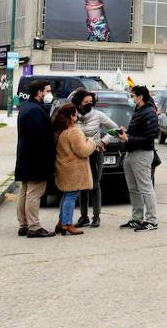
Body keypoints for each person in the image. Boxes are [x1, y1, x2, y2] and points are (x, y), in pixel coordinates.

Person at [15, 79, 56, 238]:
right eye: (47, 91)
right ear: (39, 92)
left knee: (24, 192)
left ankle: (23, 225)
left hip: (26, 156)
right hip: (36, 158)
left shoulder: (26, 107)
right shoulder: (36, 111)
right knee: (34, 192)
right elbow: (41, 137)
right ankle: (34, 226)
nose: (49, 94)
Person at [71, 90, 117, 228]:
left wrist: (103, 142)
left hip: (95, 154)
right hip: (79, 155)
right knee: (82, 186)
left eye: (91, 102)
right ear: (79, 103)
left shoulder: (98, 115)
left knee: (95, 185)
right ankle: (83, 217)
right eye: (86, 102)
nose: (89, 104)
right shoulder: (74, 116)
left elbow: (115, 128)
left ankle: (96, 216)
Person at [51, 103, 97, 236]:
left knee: (66, 195)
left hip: (65, 168)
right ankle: (67, 224)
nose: (77, 116)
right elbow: (83, 151)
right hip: (74, 170)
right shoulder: (74, 131)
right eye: (75, 114)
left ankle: (61, 223)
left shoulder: (61, 130)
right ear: (71, 117)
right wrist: (91, 142)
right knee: (71, 196)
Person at [118, 85, 159, 231]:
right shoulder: (138, 110)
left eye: (133, 96)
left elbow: (149, 138)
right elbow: (138, 132)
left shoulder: (149, 112)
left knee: (145, 187)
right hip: (131, 153)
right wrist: (126, 133)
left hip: (142, 153)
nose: (131, 98)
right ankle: (137, 218)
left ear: (140, 97)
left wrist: (128, 139)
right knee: (133, 188)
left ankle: (152, 221)